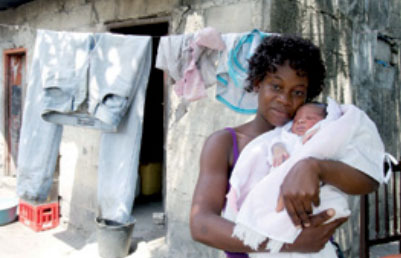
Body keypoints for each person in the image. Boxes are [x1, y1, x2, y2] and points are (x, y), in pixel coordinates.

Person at [190, 34, 381, 257]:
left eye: (298, 92)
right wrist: (287, 244)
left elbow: (368, 181)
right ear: (257, 82)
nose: (285, 99)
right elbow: (201, 224)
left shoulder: (317, 140)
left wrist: (315, 167)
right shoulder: (226, 143)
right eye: (276, 86)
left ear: (308, 96)